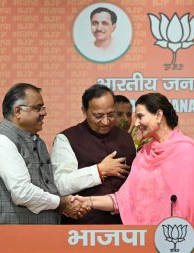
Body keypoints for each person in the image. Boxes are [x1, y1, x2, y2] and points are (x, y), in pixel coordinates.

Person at [72, 93, 194, 225]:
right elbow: (124, 200)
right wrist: (87, 201)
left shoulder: (185, 149)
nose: (136, 123)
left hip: (178, 238)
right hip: (145, 240)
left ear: (159, 115)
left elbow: (190, 206)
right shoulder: (144, 154)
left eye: (140, 116)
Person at [0, 83, 88, 224]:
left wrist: (62, 205)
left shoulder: (35, 141)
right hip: (6, 240)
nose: (44, 113)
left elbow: (46, 188)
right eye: (37, 108)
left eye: (43, 108)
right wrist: (61, 203)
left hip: (36, 237)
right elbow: (22, 193)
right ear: (17, 111)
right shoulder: (0, 142)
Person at [51, 84, 136, 224]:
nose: (106, 121)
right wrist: (99, 171)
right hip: (84, 228)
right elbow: (60, 184)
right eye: (98, 116)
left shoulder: (126, 138)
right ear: (84, 111)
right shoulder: (67, 138)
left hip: (126, 225)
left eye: (111, 114)